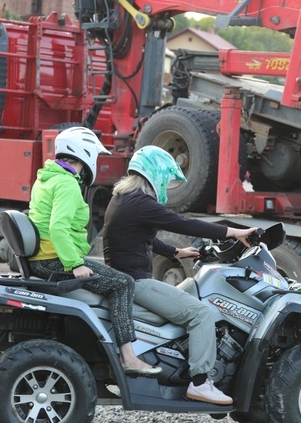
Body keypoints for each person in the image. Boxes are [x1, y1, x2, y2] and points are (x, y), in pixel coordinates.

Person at [101, 145, 258, 405]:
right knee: (201, 313)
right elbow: (184, 224)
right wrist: (234, 232)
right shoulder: (142, 202)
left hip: (125, 277)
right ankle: (200, 382)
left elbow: (139, 238)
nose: (168, 185)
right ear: (157, 174)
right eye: (168, 179)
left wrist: (176, 252)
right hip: (136, 283)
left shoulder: (122, 198)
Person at [27, 127, 160, 375]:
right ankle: (129, 356)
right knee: (123, 283)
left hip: (43, 258)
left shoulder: (46, 177)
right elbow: (57, 229)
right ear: (84, 154)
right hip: (53, 259)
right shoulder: (66, 184)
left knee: (109, 276)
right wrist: (75, 264)